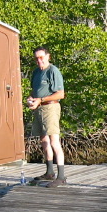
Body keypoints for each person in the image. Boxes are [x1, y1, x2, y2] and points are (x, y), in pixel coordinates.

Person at [28, 46, 67, 188]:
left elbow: (60, 94)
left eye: (41, 57)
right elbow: (34, 91)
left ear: (48, 56)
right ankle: (49, 172)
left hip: (51, 107)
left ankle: (61, 176)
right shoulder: (36, 72)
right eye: (36, 58)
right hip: (39, 109)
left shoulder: (53, 71)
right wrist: (31, 99)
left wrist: (41, 100)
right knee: (43, 140)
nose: (39, 61)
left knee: (54, 140)